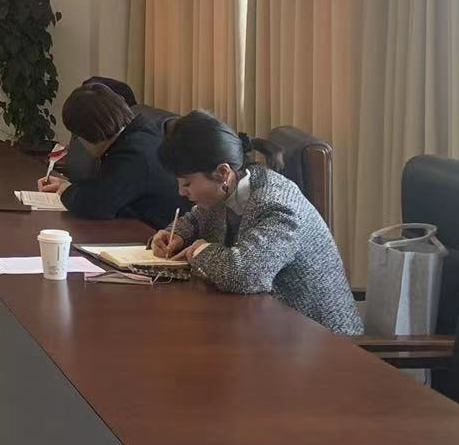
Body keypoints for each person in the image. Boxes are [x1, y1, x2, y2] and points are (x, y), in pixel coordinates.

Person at [151, 111, 362, 336]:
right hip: (268, 326)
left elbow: (246, 275)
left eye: (187, 183)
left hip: (320, 340)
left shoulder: (277, 204)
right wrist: (177, 234)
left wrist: (200, 251)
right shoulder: (231, 186)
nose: (181, 192)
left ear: (223, 172)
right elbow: (197, 217)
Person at [36, 84, 181, 227]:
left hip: (156, 235)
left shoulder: (132, 154)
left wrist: (66, 191)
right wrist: (68, 186)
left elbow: (96, 206)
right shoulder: (140, 133)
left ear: (89, 133)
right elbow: (105, 186)